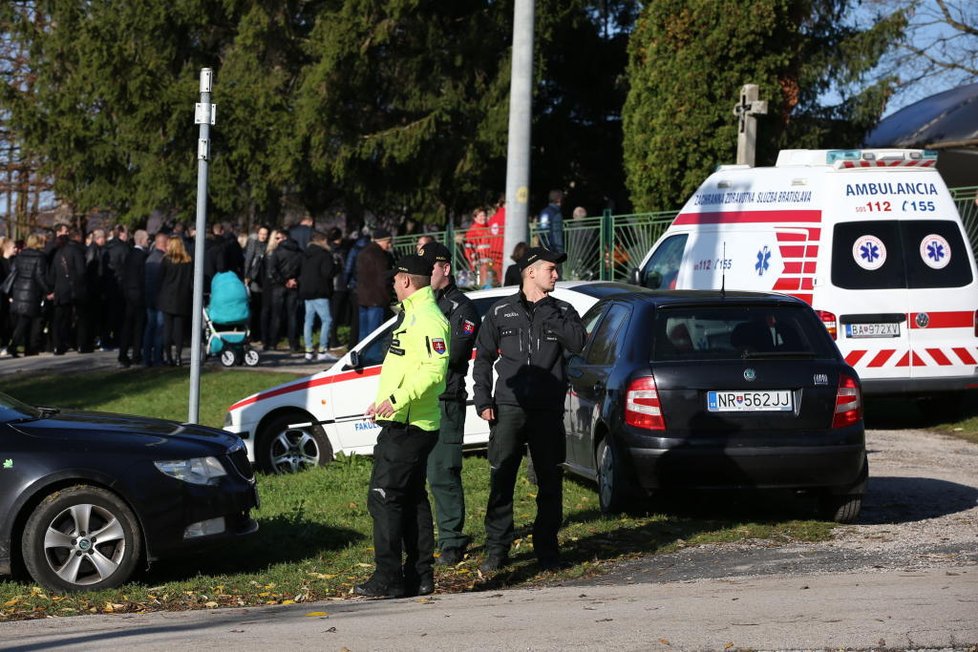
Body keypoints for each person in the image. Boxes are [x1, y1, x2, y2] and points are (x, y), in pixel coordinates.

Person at [473, 246, 586, 572]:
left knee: (550, 481)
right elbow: (482, 358)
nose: (556, 274)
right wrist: (483, 399)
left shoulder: (563, 309)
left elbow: (579, 343)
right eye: (550, 269)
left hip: (548, 409)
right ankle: (497, 550)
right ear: (530, 272)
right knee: (502, 480)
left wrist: (551, 314)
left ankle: (547, 550)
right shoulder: (500, 311)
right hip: (508, 407)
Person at [355, 254, 450, 599]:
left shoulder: (428, 318)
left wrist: (396, 401)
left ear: (407, 281)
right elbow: (406, 367)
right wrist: (384, 402)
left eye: (395, 279)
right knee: (411, 499)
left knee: (383, 498)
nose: (392, 284)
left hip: (410, 425)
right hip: (401, 421)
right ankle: (419, 576)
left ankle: (389, 577)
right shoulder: (412, 315)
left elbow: (434, 371)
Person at [419, 241, 480, 565]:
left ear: (444, 268)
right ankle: (423, 540)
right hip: (420, 399)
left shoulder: (461, 308)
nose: (424, 274)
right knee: (417, 475)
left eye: (429, 268)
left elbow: (452, 354)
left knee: (443, 473)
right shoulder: (422, 306)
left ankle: (452, 541)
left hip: (445, 399)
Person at [6, 233, 50, 357]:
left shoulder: (20, 256)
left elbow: (14, 272)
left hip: (19, 291)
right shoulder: (40, 257)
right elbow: (40, 276)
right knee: (31, 321)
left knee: (23, 321)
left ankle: (18, 346)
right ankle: (20, 346)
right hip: (32, 292)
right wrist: (48, 290)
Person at [298, 231, 338, 362]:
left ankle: (308, 350)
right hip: (320, 291)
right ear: (323, 241)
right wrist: (337, 267)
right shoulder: (324, 254)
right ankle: (322, 350)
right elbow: (328, 273)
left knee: (308, 321)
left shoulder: (305, 254)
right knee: (327, 320)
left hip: (306, 290)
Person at [157, 236, 194, 365]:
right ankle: (178, 356)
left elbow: (160, 278)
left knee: (167, 328)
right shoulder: (188, 261)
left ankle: (168, 357)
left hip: (167, 298)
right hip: (182, 298)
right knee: (179, 330)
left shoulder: (166, 260)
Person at [265, 228, 303, 352]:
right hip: (293, 285)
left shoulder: (277, 252)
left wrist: (284, 281)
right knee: (292, 315)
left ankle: (272, 342)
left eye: (278, 238)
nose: (276, 240)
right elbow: (302, 269)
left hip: (279, 285)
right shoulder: (299, 251)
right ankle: (293, 343)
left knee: (276, 315)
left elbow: (272, 270)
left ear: (284, 238)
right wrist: (294, 280)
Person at [355, 227, 394, 345]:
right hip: (377, 298)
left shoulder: (363, 252)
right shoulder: (379, 255)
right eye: (388, 242)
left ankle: (361, 358)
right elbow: (383, 278)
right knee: (374, 334)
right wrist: (389, 297)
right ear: (382, 241)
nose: (389, 245)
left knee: (363, 333)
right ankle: (372, 359)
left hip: (363, 297)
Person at [118, 229, 148, 367]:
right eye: (147, 239)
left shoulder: (129, 254)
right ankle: (136, 355)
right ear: (141, 240)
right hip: (138, 293)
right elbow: (142, 277)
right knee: (138, 325)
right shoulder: (141, 256)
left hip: (128, 293)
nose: (148, 241)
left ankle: (123, 354)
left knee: (127, 325)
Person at [143, 231, 169, 366]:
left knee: (150, 328)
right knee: (159, 329)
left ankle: (146, 358)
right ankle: (158, 358)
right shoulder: (162, 260)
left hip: (149, 297)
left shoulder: (149, 258)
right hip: (159, 299)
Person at [243, 225, 270, 343]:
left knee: (262, 309)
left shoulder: (269, 245)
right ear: (258, 234)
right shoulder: (254, 244)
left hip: (265, 281)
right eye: (261, 233)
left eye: (265, 234)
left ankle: (261, 334)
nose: (263, 236)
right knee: (254, 308)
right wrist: (246, 276)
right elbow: (248, 260)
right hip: (254, 279)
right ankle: (252, 334)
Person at [464, 207, 493, 286]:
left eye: (484, 215)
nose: (483, 218)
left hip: (491, 262)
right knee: (484, 286)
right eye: (480, 216)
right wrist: (474, 261)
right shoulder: (472, 231)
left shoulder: (490, 228)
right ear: (475, 218)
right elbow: (468, 249)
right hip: (480, 264)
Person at [538, 189, 565, 254]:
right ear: (559, 199)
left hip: (543, 247)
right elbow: (557, 232)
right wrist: (560, 250)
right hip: (554, 249)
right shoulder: (556, 213)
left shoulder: (543, 212)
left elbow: (542, 230)